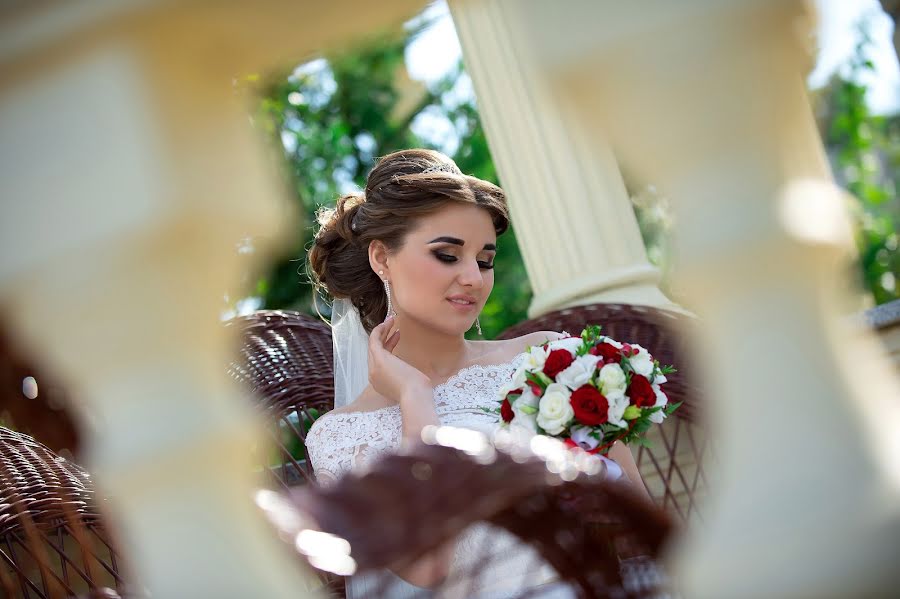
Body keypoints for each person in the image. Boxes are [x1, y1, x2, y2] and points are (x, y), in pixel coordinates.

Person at [304, 149, 649, 598]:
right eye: (448, 255)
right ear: (382, 259)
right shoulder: (339, 436)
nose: (474, 278)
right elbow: (426, 565)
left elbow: (641, 521)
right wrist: (414, 396)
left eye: (484, 260)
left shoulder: (549, 360)